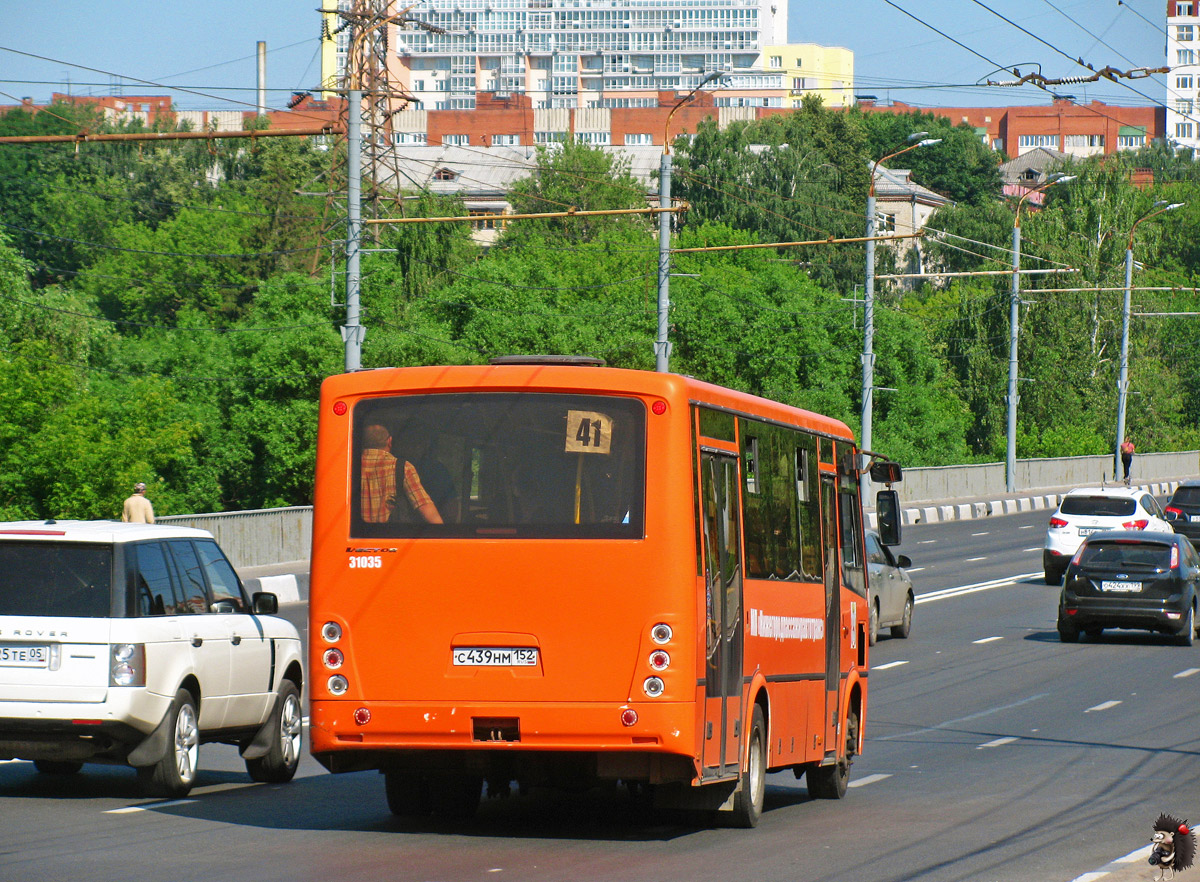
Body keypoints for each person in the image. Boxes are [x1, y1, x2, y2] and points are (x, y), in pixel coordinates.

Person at [361, 424, 443, 525]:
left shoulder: (348, 465)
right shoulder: (403, 467)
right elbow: (423, 505)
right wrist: (444, 533)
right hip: (387, 536)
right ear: (390, 441)